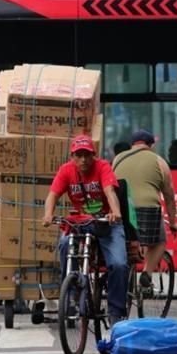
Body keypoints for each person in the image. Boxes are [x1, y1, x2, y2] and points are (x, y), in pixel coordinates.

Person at [43, 134, 128, 326]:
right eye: (78, 155)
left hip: (107, 222)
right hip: (81, 223)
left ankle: (116, 311)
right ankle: (71, 292)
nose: (83, 159)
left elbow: (110, 192)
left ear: (94, 155)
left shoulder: (103, 167)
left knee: (119, 264)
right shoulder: (66, 170)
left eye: (87, 155)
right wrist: (48, 215)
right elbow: (52, 195)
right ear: (72, 156)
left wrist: (115, 212)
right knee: (65, 244)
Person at [112, 129, 177, 289]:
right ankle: (146, 274)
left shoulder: (117, 159)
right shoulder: (159, 161)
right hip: (147, 208)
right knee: (159, 242)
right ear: (151, 145)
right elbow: (169, 196)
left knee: (124, 242)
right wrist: (172, 222)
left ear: (133, 145)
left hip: (121, 209)